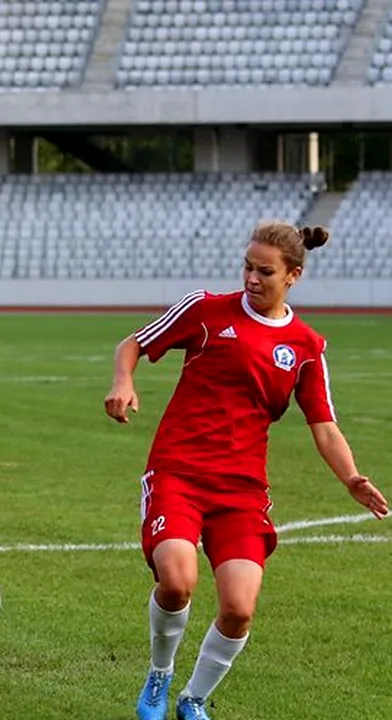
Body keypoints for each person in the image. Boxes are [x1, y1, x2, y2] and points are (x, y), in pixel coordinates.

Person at [104, 223, 387, 720]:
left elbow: (324, 426)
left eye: (265, 271)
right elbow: (132, 343)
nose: (252, 279)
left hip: (241, 489)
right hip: (178, 472)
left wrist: (350, 477)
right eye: (247, 267)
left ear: (293, 276)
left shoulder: (305, 346)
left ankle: (192, 700)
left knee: (238, 609)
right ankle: (159, 677)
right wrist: (123, 382)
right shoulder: (206, 309)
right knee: (176, 580)